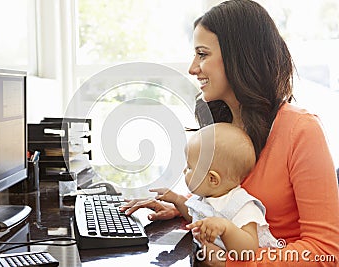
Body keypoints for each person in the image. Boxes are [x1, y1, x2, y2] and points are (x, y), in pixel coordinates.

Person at [120, 0, 339, 266]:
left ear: (240, 57)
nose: (192, 68)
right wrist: (186, 208)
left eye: (202, 54)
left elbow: (326, 252)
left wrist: (234, 263)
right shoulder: (223, 121)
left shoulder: (302, 130)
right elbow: (231, 194)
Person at [152, 122, 278, 260]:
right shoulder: (205, 197)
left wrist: (226, 228)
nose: (184, 171)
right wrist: (176, 199)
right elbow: (195, 217)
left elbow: (249, 250)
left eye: (189, 167)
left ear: (212, 179)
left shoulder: (242, 206)